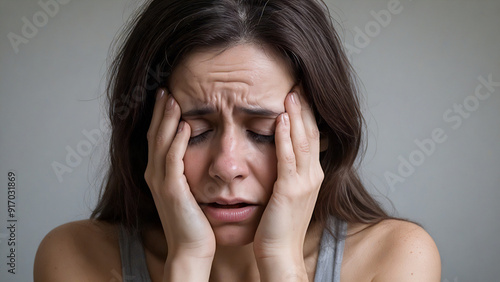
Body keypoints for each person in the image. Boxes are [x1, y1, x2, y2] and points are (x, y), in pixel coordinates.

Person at [34, 0, 441, 281]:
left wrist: (282, 263)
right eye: (197, 131)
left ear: (321, 134)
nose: (227, 166)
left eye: (262, 133)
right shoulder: (74, 256)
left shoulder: (395, 258)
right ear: (148, 132)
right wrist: (188, 262)